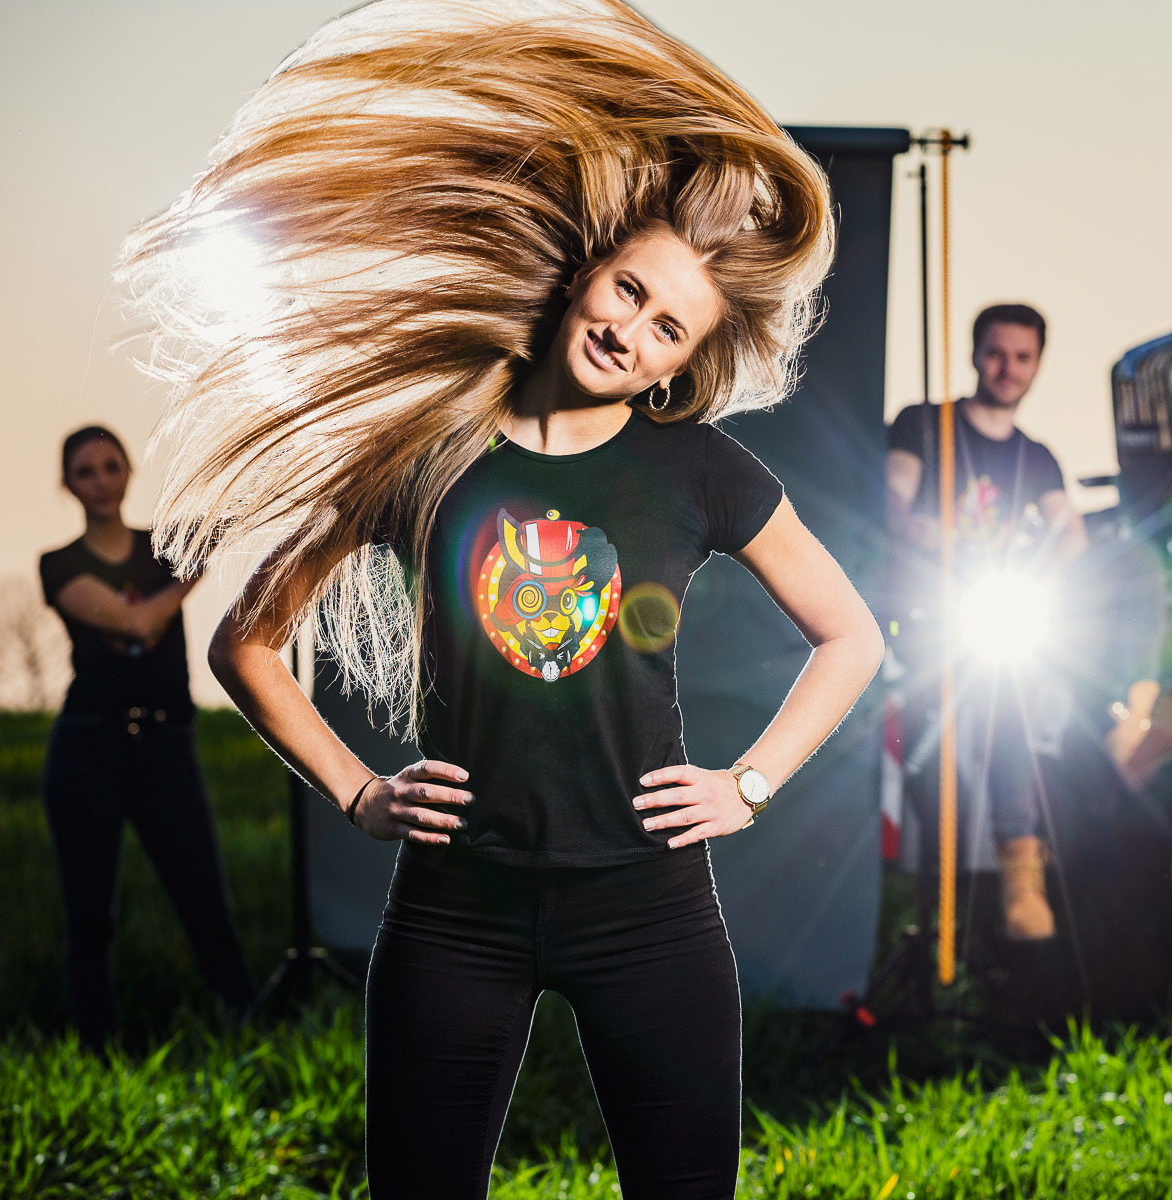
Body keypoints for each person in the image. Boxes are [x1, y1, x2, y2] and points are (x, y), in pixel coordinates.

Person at [117, 2, 881, 1197]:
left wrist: (749, 785)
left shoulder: (700, 473)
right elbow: (248, 643)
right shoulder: (431, 454)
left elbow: (851, 635)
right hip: (454, 915)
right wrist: (360, 788)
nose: (632, 330)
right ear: (589, 272)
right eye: (629, 292)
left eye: (667, 327)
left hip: (651, 912)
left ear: (687, 363)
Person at [38, 426, 255, 1048]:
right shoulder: (60, 565)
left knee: (205, 901)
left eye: (111, 466)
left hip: (168, 747)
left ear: (128, 472)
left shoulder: (163, 543)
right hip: (86, 751)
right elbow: (133, 620)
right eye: (86, 471)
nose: (101, 481)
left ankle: (250, 1028)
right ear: (68, 484)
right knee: (90, 915)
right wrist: (191, 571)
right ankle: (97, 1051)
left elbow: (234, 507)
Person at [886, 303, 1087, 941]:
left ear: (1037, 366)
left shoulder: (1037, 457)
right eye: (998, 354)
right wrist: (925, 531)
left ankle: (1021, 887)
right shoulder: (926, 425)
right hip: (929, 619)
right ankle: (935, 902)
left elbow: (1071, 535)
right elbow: (892, 500)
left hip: (997, 617)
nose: (1009, 369)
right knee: (933, 761)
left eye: (1023, 358)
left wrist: (1041, 570)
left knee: (1013, 733)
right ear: (976, 355)